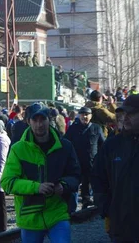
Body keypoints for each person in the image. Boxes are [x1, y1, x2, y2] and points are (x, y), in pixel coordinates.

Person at [1, 103, 80, 243]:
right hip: (30, 217)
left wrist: (63, 185)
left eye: (42, 119)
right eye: (35, 120)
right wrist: (36, 187)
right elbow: (7, 182)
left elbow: (75, 175)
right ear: (28, 121)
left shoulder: (65, 146)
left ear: (49, 120)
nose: (39, 124)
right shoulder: (18, 149)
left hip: (57, 213)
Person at [92, 94, 139, 242]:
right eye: (124, 113)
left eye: (131, 114)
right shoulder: (112, 145)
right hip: (121, 226)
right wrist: (106, 208)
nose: (125, 118)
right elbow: (98, 177)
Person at [64, 107, 104, 211]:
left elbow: (102, 145)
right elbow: (66, 143)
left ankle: (90, 205)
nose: (84, 117)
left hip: (91, 163)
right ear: (79, 115)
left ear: (91, 116)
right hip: (76, 163)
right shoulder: (73, 128)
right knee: (74, 186)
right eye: (82, 114)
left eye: (87, 114)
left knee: (91, 185)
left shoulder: (96, 128)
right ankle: (72, 208)